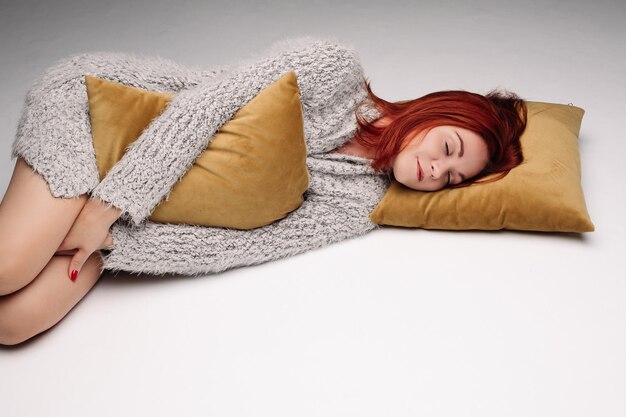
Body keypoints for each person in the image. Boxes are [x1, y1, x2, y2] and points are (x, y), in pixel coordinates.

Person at [0, 35, 526, 345]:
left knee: (15, 324)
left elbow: (250, 240)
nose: (437, 171)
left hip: (128, 215)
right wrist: (104, 209)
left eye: (454, 178)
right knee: (8, 267)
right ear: (431, 112)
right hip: (98, 112)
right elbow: (205, 107)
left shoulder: (361, 202)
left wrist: (113, 237)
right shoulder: (334, 67)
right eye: (448, 148)